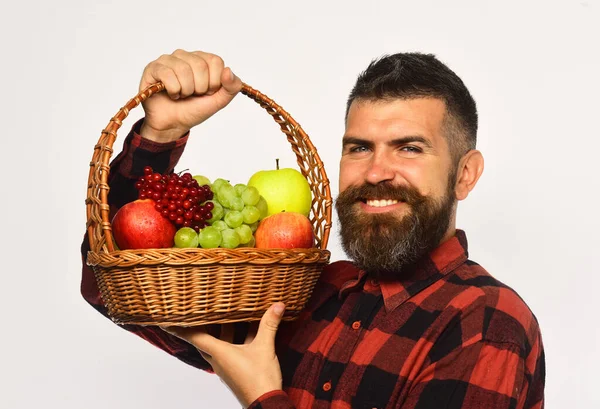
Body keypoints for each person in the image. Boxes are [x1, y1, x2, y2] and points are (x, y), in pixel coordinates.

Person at [81, 49, 545, 409]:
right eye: (360, 148)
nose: (377, 172)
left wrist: (262, 396)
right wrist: (159, 134)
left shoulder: (484, 325)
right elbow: (110, 287)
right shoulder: (306, 292)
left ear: (465, 174)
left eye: (409, 148)